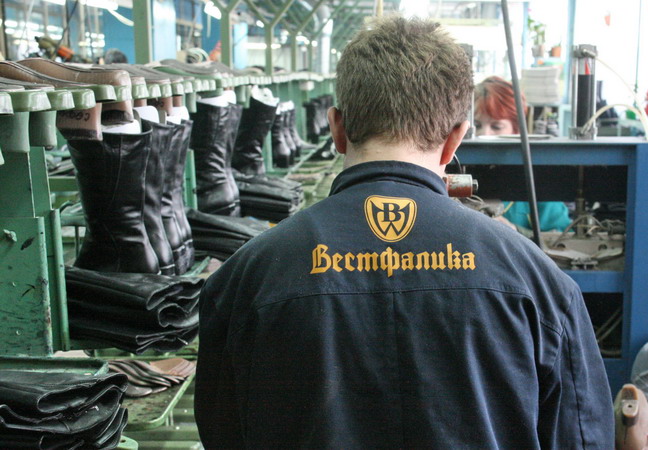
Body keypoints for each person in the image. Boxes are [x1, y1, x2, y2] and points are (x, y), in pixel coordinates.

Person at [195, 16, 613, 448]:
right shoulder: (539, 285)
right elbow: (582, 439)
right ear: (455, 139)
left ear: (337, 128)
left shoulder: (244, 280)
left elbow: (224, 434)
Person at [475, 76, 571, 233]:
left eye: (496, 126)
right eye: (476, 125)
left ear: (516, 129)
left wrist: (515, 232)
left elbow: (564, 238)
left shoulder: (537, 182)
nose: (483, 134)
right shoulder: (453, 174)